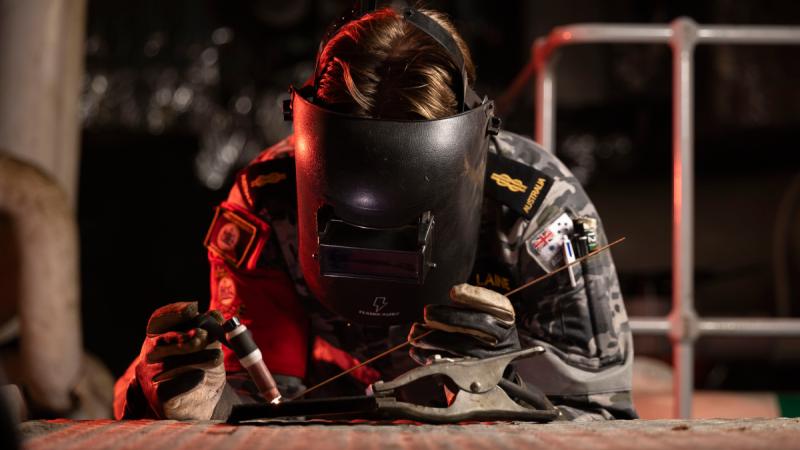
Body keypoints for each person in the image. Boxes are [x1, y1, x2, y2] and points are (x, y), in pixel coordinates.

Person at [113, 4, 637, 422]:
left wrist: (506, 390)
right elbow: (264, 399)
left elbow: (600, 412)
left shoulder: (540, 210)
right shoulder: (269, 202)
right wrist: (190, 397)